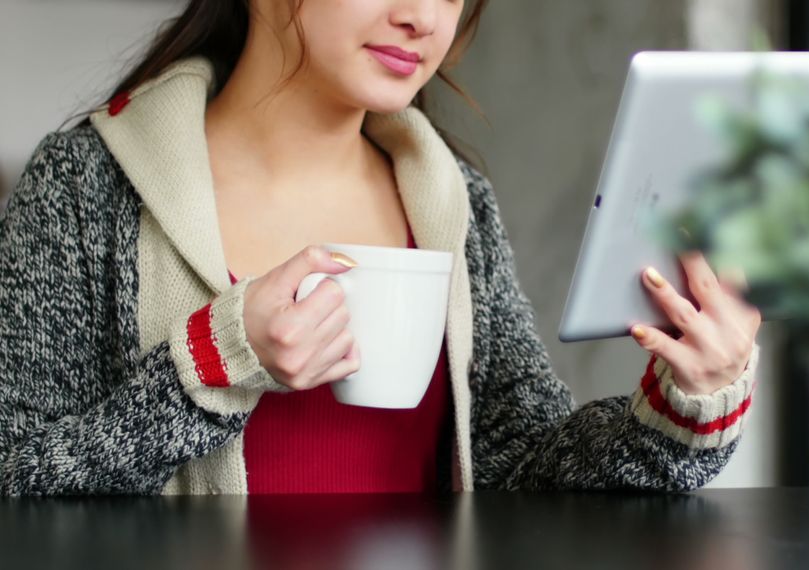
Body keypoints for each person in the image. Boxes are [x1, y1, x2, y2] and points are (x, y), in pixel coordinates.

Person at [0, 0, 762, 496]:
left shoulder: (451, 200)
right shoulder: (86, 187)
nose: (424, 18)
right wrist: (214, 363)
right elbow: (15, 474)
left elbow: (523, 468)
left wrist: (684, 404)